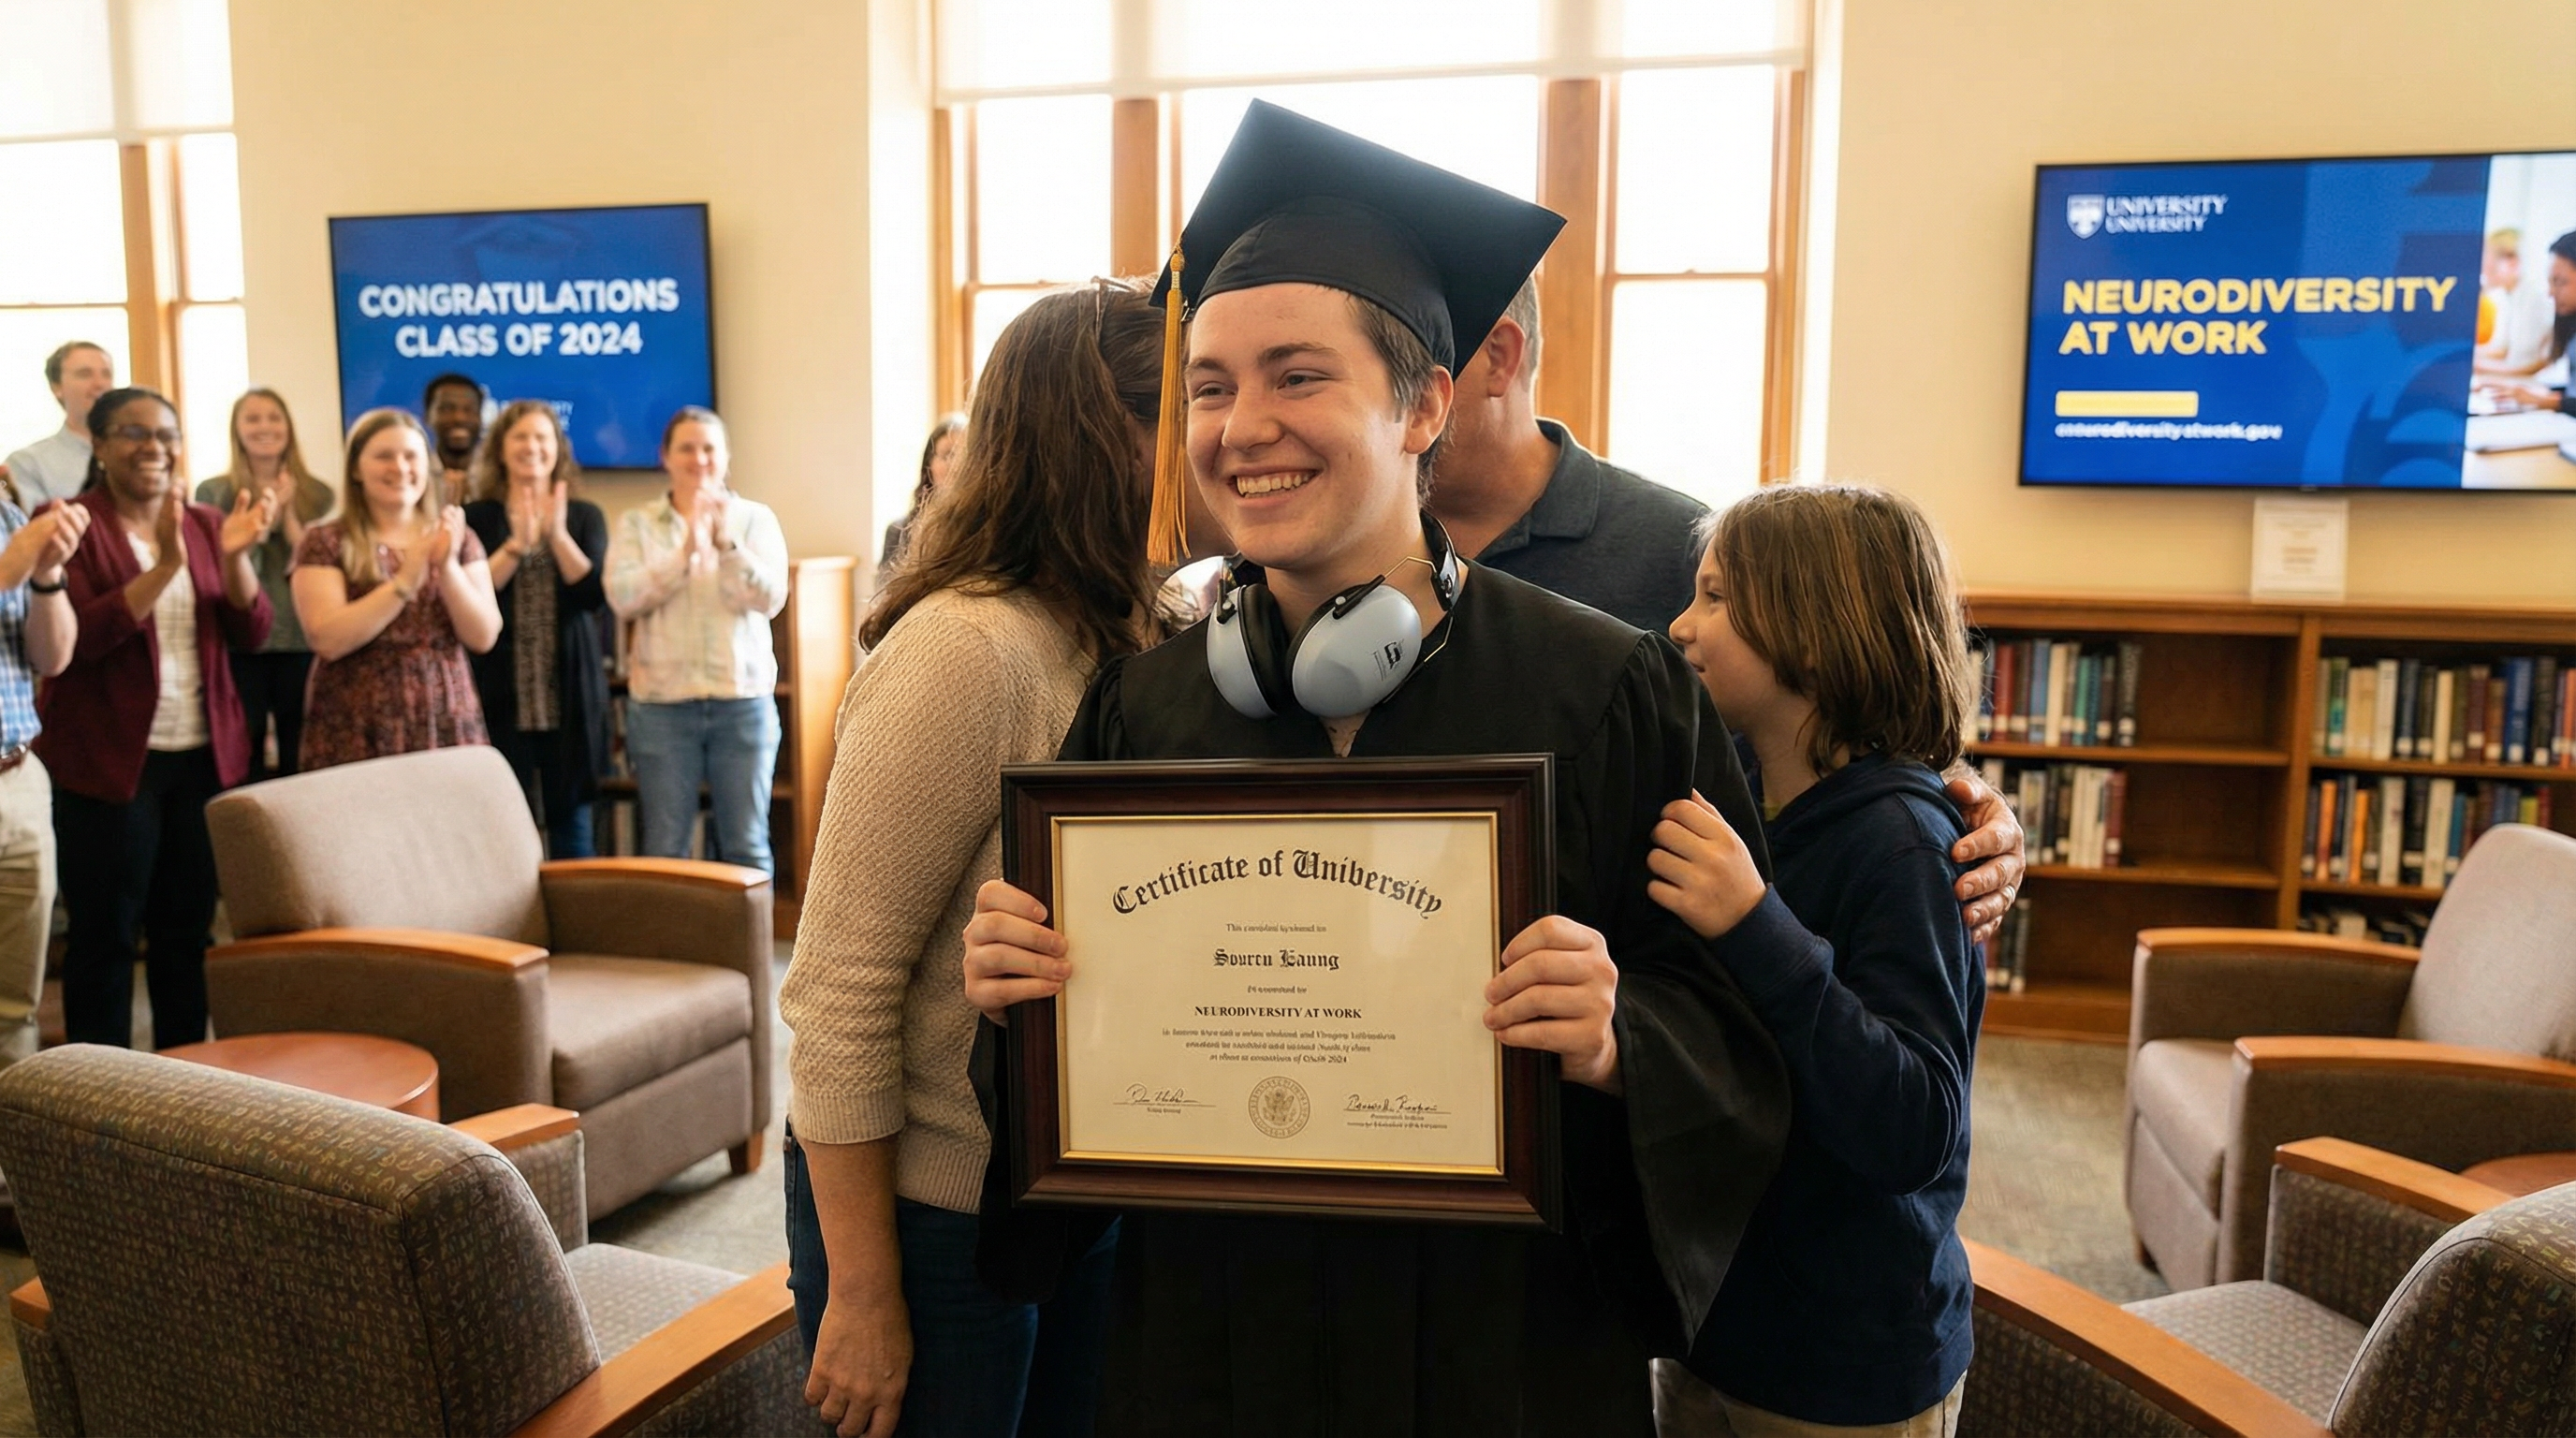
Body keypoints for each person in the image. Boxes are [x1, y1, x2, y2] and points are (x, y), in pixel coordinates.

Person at [961, 103, 1793, 1434]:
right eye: (1210, 386)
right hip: (1211, 1344)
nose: (1242, 426)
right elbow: (1072, 1115)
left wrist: (1618, 1040)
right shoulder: (1141, 709)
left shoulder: (1605, 689)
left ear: (1426, 404)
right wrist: (1025, 1007)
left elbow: (1748, 1021)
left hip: (1503, 1351)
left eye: (1296, 376)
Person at [782, 280, 1170, 1438]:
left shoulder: (1131, 632)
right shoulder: (968, 649)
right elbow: (838, 996)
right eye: (1191, 405)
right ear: (1106, 438)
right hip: (932, 1216)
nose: (1224, 438)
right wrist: (863, 1296)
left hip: (1073, 1183)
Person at [1435, 282, 2027, 946]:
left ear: (1498, 355)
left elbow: (1831, 737)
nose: (1685, 626)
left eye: (1415, 362)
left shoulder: (1678, 542)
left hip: (1636, 979)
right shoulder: (1337, 549)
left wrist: (1955, 807)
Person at [1650, 484, 1983, 1436]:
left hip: (1843, 1368)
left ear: (1811, 630)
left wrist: (1757, 927)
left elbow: (1914, 1127)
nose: (1681, 626)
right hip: (1718, 1327)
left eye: (1716, 597)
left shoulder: (1902, 847)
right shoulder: (1739, 799)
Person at [35, 387, 273, 1050]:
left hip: (203, 757)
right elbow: (80, 640)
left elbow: (252, 631)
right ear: (100, 445)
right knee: (106, 935)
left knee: (186, 932)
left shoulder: (206, 522)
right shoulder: (70, 522)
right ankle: (93, 1091)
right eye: (135, 433)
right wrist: (167, 565)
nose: (155, 448)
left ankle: (182, 1080)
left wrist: (235, 557)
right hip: (108, 764)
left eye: (167, 434)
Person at [605, 408, 790, 872]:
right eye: (686, 448)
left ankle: (748, 928)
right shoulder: (638, 524)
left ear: (725, 457)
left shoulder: (755, 519)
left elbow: (771, 599)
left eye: (709, 448)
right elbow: (623, 599)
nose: (699, 459)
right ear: (665, 456)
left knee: (747, 845)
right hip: (662, 706)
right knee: (665, 847)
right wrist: (683, 555)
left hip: (742, 702)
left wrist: (727, 546)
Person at [292, 408, 500, 770]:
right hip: (356, 719)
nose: (400, 467)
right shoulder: (324, 540)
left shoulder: (459, 537)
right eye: (384, 456)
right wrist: (406, 580)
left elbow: (483, 636)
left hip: (444, 714)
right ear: (356, 468)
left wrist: (447, 567)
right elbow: (327, 638)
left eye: (411, 456)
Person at [462, 400, 609, 857]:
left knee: (573, 824)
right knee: (504, 828)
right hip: (499, 692)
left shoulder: (585, 515)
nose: (532, 447)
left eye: (542, 437)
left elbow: (594, 597)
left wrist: (557, 536)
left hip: (567, 694)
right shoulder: (477, 516)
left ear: (557, 448)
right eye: (520, 437)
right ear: (500, 449)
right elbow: (471, 594)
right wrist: (517, 545)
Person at [196, 388, 335, 781]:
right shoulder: (214, 493)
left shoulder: (318, 493)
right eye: (253, 419)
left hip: (300, 636)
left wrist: (287, 512)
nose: (264, 427)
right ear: (237, 430)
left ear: (288, 427)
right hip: (242, 639)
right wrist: (261, 520)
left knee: (300, 749)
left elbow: (311, 559)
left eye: (274, 418)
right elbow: (222, 565)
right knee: (244, 748)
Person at [0, 483, 83, 1065]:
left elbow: (53, 658)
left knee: (14, 1007)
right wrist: (12, 566)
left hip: (19, 775)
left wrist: (48, 574)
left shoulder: (8, 518)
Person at [5, 342, 116, 508]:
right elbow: (29, 522)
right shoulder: (27, 464)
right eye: (85, 374)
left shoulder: (138, 454)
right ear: (56, 387)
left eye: (106, 374)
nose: (100, 384)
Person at [2483, 230, 2576, 415]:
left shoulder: (2532, 299)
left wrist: (2550, 401)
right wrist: (2540, 395)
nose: (2551, 293)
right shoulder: (2570, 322)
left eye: (2560, 282)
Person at [880, 414, 964, 569]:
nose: (956, 465)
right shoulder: (899, 531)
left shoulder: (986, 531)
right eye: (948, 454)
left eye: (965, 456)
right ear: (929, 464)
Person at [421, 372, 489, 506]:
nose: (459, 418)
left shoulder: (499, 476)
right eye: (447, 409)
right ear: (428, 416)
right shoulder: (414, 474)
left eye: (469, 409)